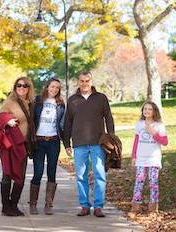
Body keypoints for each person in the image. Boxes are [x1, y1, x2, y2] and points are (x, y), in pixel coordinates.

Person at [63, 71, 115, 217]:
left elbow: (109, 118)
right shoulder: (72, 100)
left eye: (87, 80)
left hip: (98, 143)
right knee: (80, 176)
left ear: (91, 81)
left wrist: (111, 138)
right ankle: (84, 205)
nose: (84, 83)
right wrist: (67, 143)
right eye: (82, 81)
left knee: (100, 174)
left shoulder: (101, 98)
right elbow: (68, 122)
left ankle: (98, 206)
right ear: (78, 82)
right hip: (79, 144)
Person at [0, 76, 35, 216]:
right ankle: (5, 207)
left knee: (21, 176)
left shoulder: (30, 103)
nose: (21, 88)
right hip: (10, 144)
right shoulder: (10, 101)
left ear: (29, 88)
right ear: (15, 88)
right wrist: (7, 121)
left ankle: (13, 205)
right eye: (18, 85)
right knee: (7, 174)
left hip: (23, 144)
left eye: (25, 86)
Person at [29, 77, 65, 215]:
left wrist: (66, 143)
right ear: (47, 87)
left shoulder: (61, 104)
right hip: (39, 142)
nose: (54, 89)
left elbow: (62, 125)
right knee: (38, 172)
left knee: (52, 172)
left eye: (57, 87)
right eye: (52, 86)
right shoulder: (37, 101)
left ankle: (48, 204)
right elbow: (31, 120)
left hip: (53, 141)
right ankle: (33, 204)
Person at [129, 101, 168, 216]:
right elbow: (136, 141)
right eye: (145, 109)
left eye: (149, 109)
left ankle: (153, 209)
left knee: (153, 183)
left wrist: (154, 133)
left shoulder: (159, 125)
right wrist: (133, 156)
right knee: (139, 182)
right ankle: (135, 208)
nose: (146, 111)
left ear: (154, 111)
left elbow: (165, 142)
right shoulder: (139, 124)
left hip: (153, 159)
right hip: (141, 159)